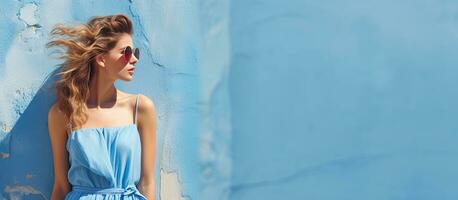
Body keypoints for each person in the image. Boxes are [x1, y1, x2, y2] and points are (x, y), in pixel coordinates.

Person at [46, 14, 156, 200]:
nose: (135, 59)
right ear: (101, 59)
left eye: (135, 52)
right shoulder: (63, 113)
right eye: (127, 52)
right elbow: (61, 185)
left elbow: (146, 182)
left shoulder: (140, 107)